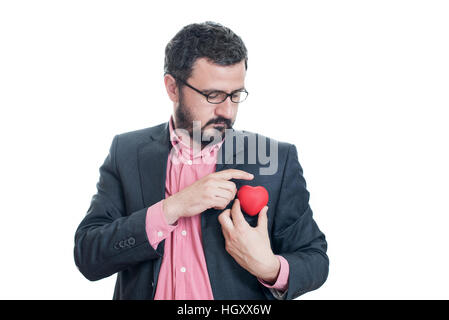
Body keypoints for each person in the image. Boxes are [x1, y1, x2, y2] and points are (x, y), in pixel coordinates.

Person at [74, 21, 329, 300]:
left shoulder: (276, 159)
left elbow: (315, 258)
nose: (227, 110)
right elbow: (89, 255)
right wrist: (172, 208)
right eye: (213, 95)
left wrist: (269, 267)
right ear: (172, 88)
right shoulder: (126, 151)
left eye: (235, 95)